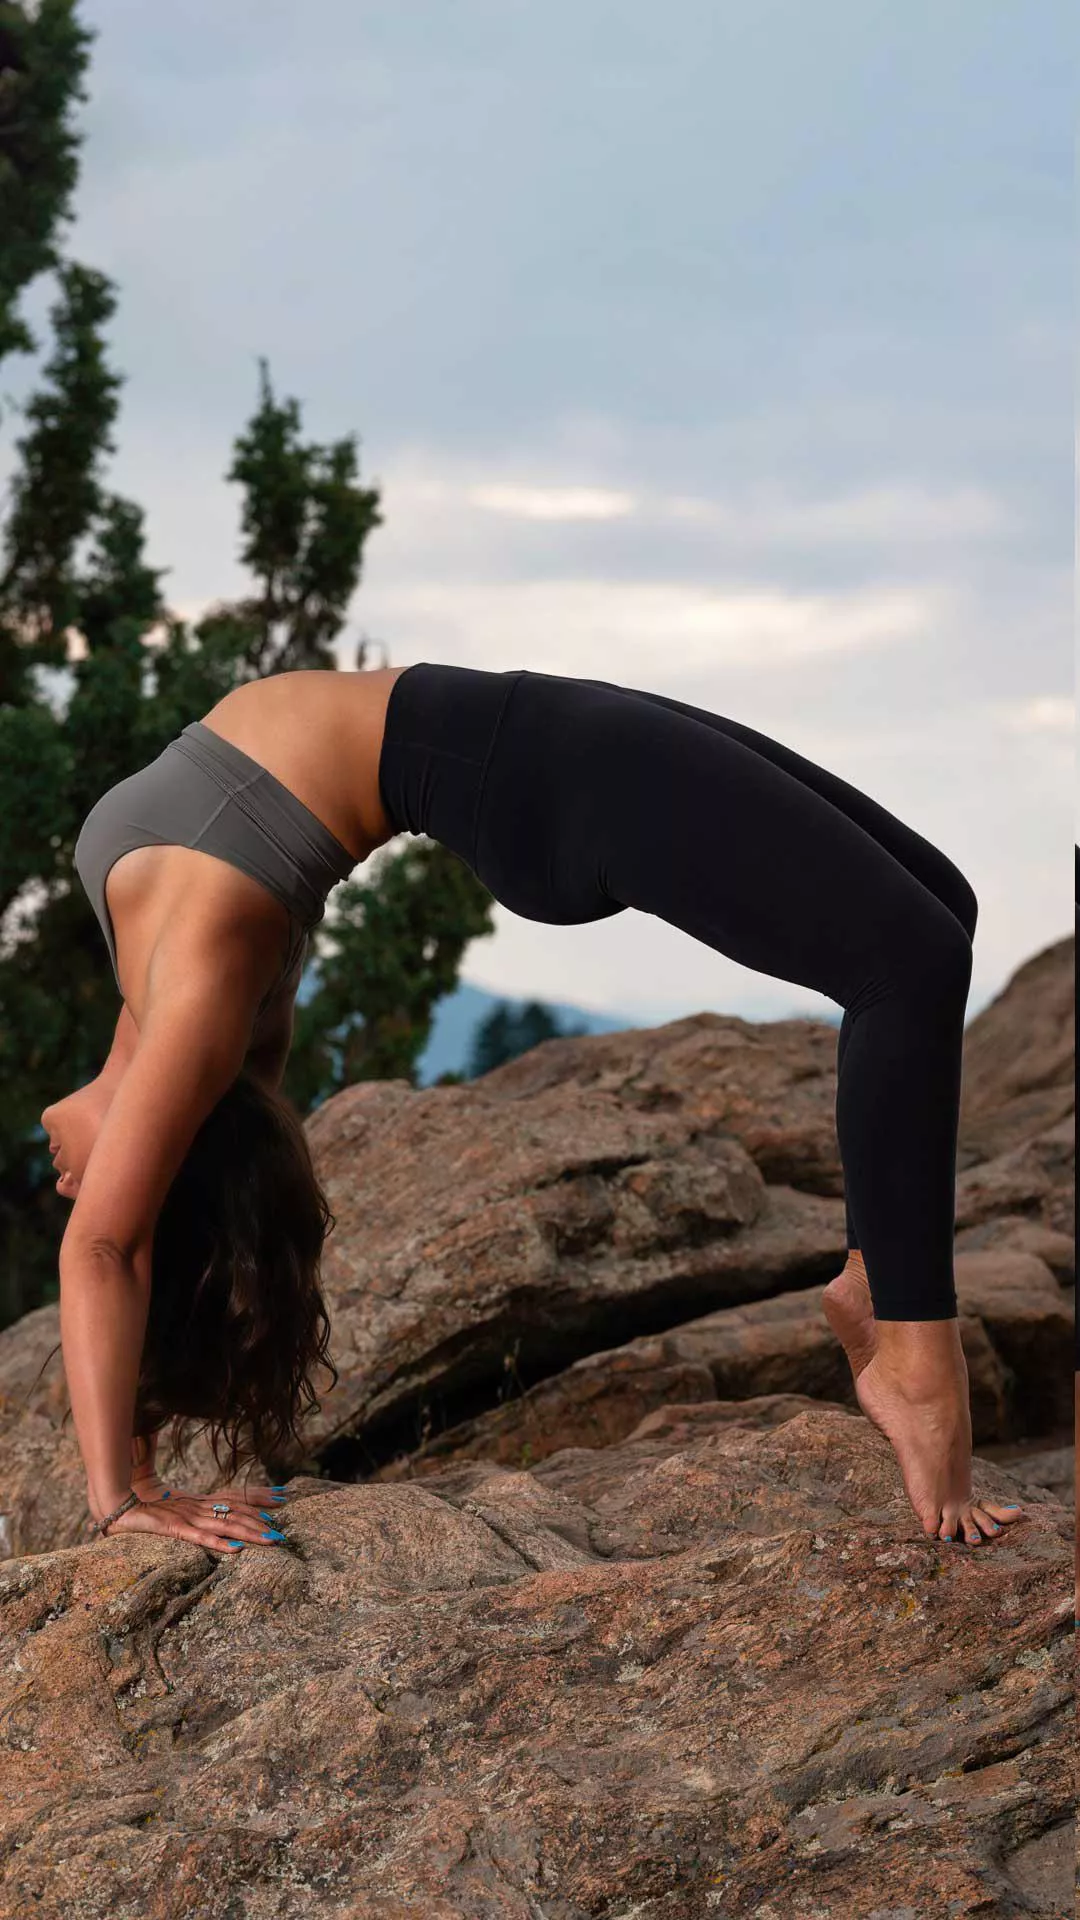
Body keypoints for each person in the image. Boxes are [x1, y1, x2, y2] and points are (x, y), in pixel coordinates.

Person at [43, 661, 1027, 1554]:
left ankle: (874, 1271)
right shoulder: (210, 1010)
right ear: (174, 1171)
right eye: (105, 1188)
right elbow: (111, 1253)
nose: (71, 1186)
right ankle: (914, 1361)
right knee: (910, 961)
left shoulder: (163, 998)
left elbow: (131, 1247)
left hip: (515, 738)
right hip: (532, 776)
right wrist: (121, 1499)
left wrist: (134, 1452)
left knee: (938, 906)